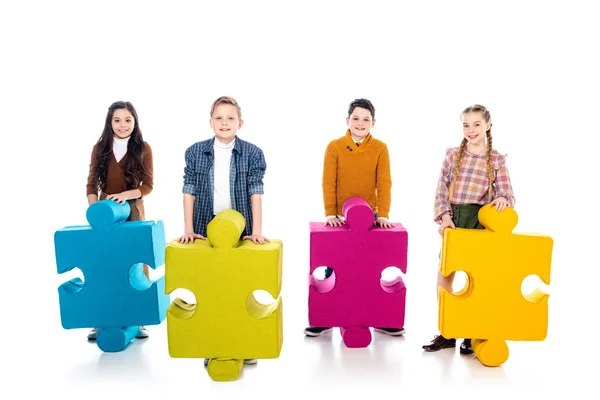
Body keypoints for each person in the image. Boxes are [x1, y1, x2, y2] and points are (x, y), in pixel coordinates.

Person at [178, 96, 268, 365]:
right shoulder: (195, 152)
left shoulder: (252, 153)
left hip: (240, 229)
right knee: (211, 288)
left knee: (239, 288)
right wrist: (189, 229)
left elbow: (256, 191)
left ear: (240, 123)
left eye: (230, 118)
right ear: (211, 122)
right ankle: (213, 342)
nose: (224, 122)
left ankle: (241, 343)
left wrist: (257, 230)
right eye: (219, 117)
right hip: (208, 227)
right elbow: (189, 190)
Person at [304, 98, 405, 338]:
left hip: (371, 217)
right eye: (356, 118)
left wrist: (384, 214)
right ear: (347, 120)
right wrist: (330, 213)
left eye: (366, 119)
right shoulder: (335, 147)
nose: (360, 123)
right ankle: (327, 317)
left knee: (370, 268)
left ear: (373, 122)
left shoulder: (380, 148)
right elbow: (329, 182)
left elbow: (385, 183)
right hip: (340, 217)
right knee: (334, 268)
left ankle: (378, 316)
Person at [422, 104, 516, 354]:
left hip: (479, 220)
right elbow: (441, 187)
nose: (471, 129)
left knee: (479, 278)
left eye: (476, 124)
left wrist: (503, 199)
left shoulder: (496, 159)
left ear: (488, 125)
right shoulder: (454, 155)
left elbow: (506, 191)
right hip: (455, 218)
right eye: (466, 125)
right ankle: (448, 331)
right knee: (446, 276)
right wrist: (444, 217)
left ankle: (474, 331)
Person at [85, 100, 154, 341]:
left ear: (135, 122)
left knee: (136, 260)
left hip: (133, 207)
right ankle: (101, 319)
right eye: (117, 120)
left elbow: (147, 186)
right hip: (105, 210)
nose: (122, 125)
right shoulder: (100, 147)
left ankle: (138, 318)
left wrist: (124, 196)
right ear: (110, 123)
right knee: (104, 262)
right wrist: (95, 212)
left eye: (128, 120)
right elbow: (92, 183)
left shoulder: (143, 148)